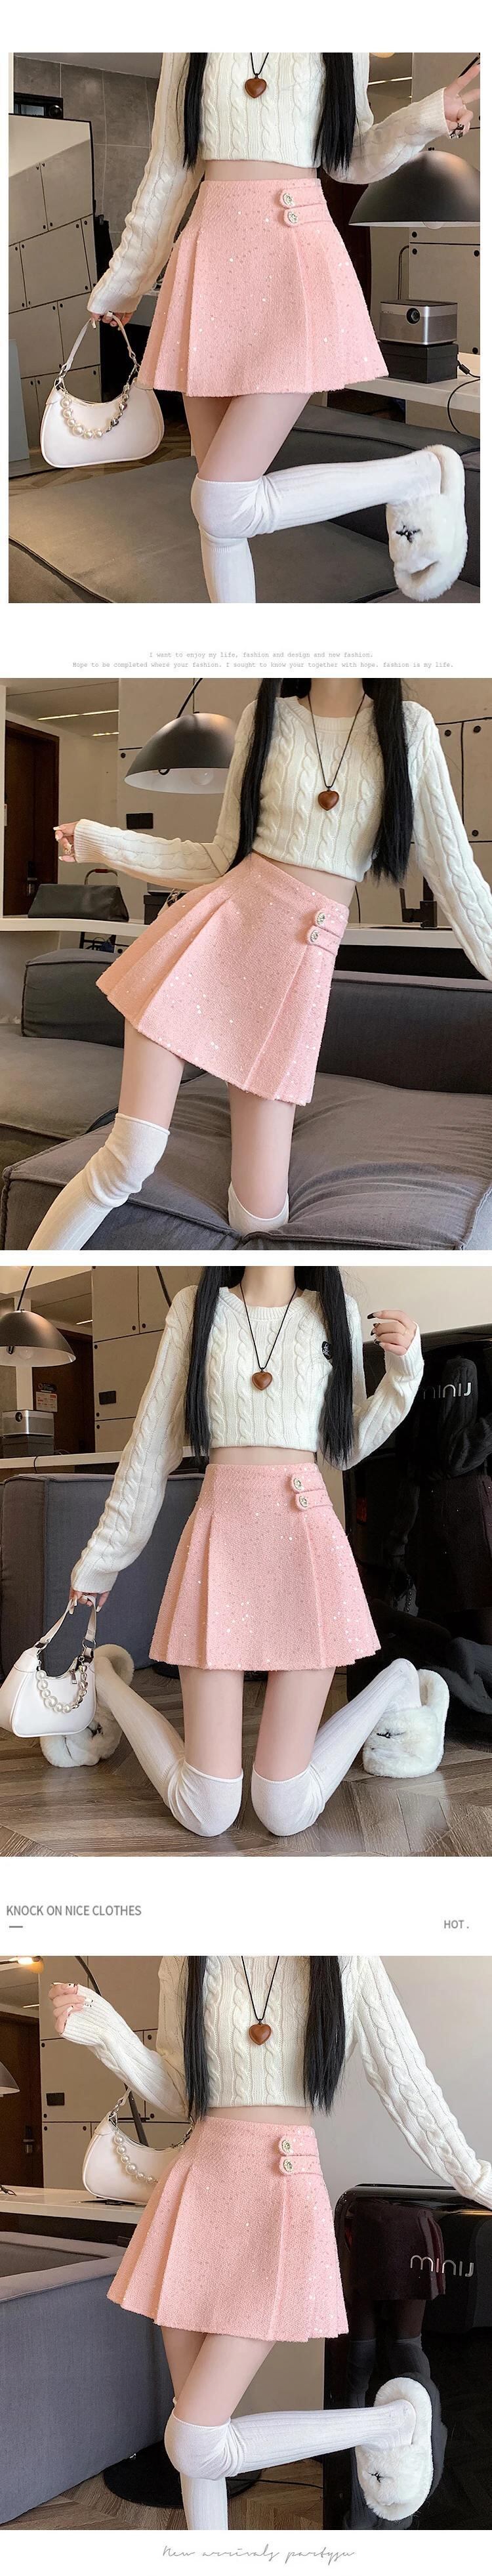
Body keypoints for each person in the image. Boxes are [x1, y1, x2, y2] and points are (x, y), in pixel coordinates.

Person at [29, 677, 492, 1253]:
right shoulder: (266, 716)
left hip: (291, 980)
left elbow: (458, 880)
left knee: (259, 1217)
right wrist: (101, 842)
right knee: (130, 1158)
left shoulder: (408, 729)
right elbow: (219, 859)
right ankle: (21, 1283)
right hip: (212, 940)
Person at [49, 1952, 492, 2528]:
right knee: (194, 2426)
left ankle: (395, 2424)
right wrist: (108, 2031)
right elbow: (182, 2091)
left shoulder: (345, 1954)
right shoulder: (188, 1954)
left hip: (280, 2188)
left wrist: (475, 2177)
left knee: (195, 2439)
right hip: (198, 2183)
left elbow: (404, 2079)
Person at [66, 1265, 448, 1832]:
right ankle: (105, 1677)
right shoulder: (195, 1308)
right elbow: (149, 1447)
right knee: (208, 1809)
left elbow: (343, 1447)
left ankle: (397, 1681)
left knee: (283, 1807)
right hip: (221, 1543)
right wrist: (101, 1561)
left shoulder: (334, 1312)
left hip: (305, 1543)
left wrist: (403, 1374)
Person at [85, 53, 479, 603]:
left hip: (295, 251)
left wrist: (428, 116)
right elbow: (169, 167)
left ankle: (419, 477)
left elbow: (352, 156)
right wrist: (126, 281)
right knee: (217, 509)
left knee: (221, 500)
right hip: (211, 257)